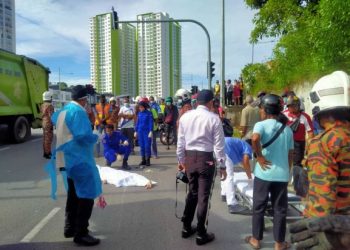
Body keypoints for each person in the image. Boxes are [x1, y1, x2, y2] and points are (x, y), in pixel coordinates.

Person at [51, 85, 102, 246]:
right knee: (86, 196)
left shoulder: (64, 110)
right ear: (84, 99)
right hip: (78, 159)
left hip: (66, 159)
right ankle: (81, 233)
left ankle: (70, 227)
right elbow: (82, 136)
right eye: (87, 99)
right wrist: (95, 136)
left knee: (73, 195)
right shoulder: (78, 112)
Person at [177, 89, 227, 246]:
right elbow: (219, 146)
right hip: (206, 159)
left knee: (192, 193)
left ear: (197, 102)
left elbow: (181, 142)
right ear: (211, 102)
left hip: (190, 158)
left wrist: (181, 160)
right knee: (203, 196)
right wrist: (222, 165)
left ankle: (186, 227)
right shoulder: (214, 119)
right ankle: (201, 232)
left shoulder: (185, 117)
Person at [246, 94, 294, 250]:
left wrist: (259, 157)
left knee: (259, 206)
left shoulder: (261, 125)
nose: (260, 111)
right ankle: (279, 243)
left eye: (260, 108)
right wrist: (288, 171)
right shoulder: (287, 130)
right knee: (280, 209)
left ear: (265, 110)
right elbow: (290, 154)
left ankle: (256, 240)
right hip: (281, 175)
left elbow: (254, 139)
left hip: (263, 173)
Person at [283, 95, 314, 196]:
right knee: (284, 164)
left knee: (297, 166)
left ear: (298, 105)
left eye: (293, 105)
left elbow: (310, 133)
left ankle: (298, 189)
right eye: (289, 106)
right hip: (284, 143)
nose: (291, 108)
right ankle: (282, 186)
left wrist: (309, 146)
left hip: (299, 144)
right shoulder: (283, 115)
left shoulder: (305, 117)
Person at [220, 131, 253, 214]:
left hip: (220, 147)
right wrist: (249, 178)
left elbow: (243, 162)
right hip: (225, 150)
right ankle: (232, 204)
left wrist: (246, 169)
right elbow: (246, 161)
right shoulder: (248, 147)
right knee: (229, 176)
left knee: (225, 173)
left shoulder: (241, 143)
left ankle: (224, 194)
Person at [134, 97, 153, 168]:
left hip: (147, 132)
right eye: (139, 107)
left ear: (144, 107)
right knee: (141, 146)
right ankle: (143, 160)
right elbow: (137, 122)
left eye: (141, 107)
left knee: (147, 146)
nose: (140, 108)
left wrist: (151, 131)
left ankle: (148, 160)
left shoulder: (149, 113)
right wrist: (135, 131)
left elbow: (151, 122)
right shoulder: (139, 113)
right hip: (140, 131)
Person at [41, 91, 54, 159]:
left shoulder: (42, 105)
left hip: (44, 122)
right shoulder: (49, 105)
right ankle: (48, 153)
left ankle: (45, 153)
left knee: (45, 138)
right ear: (49, 97)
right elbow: (51, 115)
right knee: (49, 139)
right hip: (48, 123)